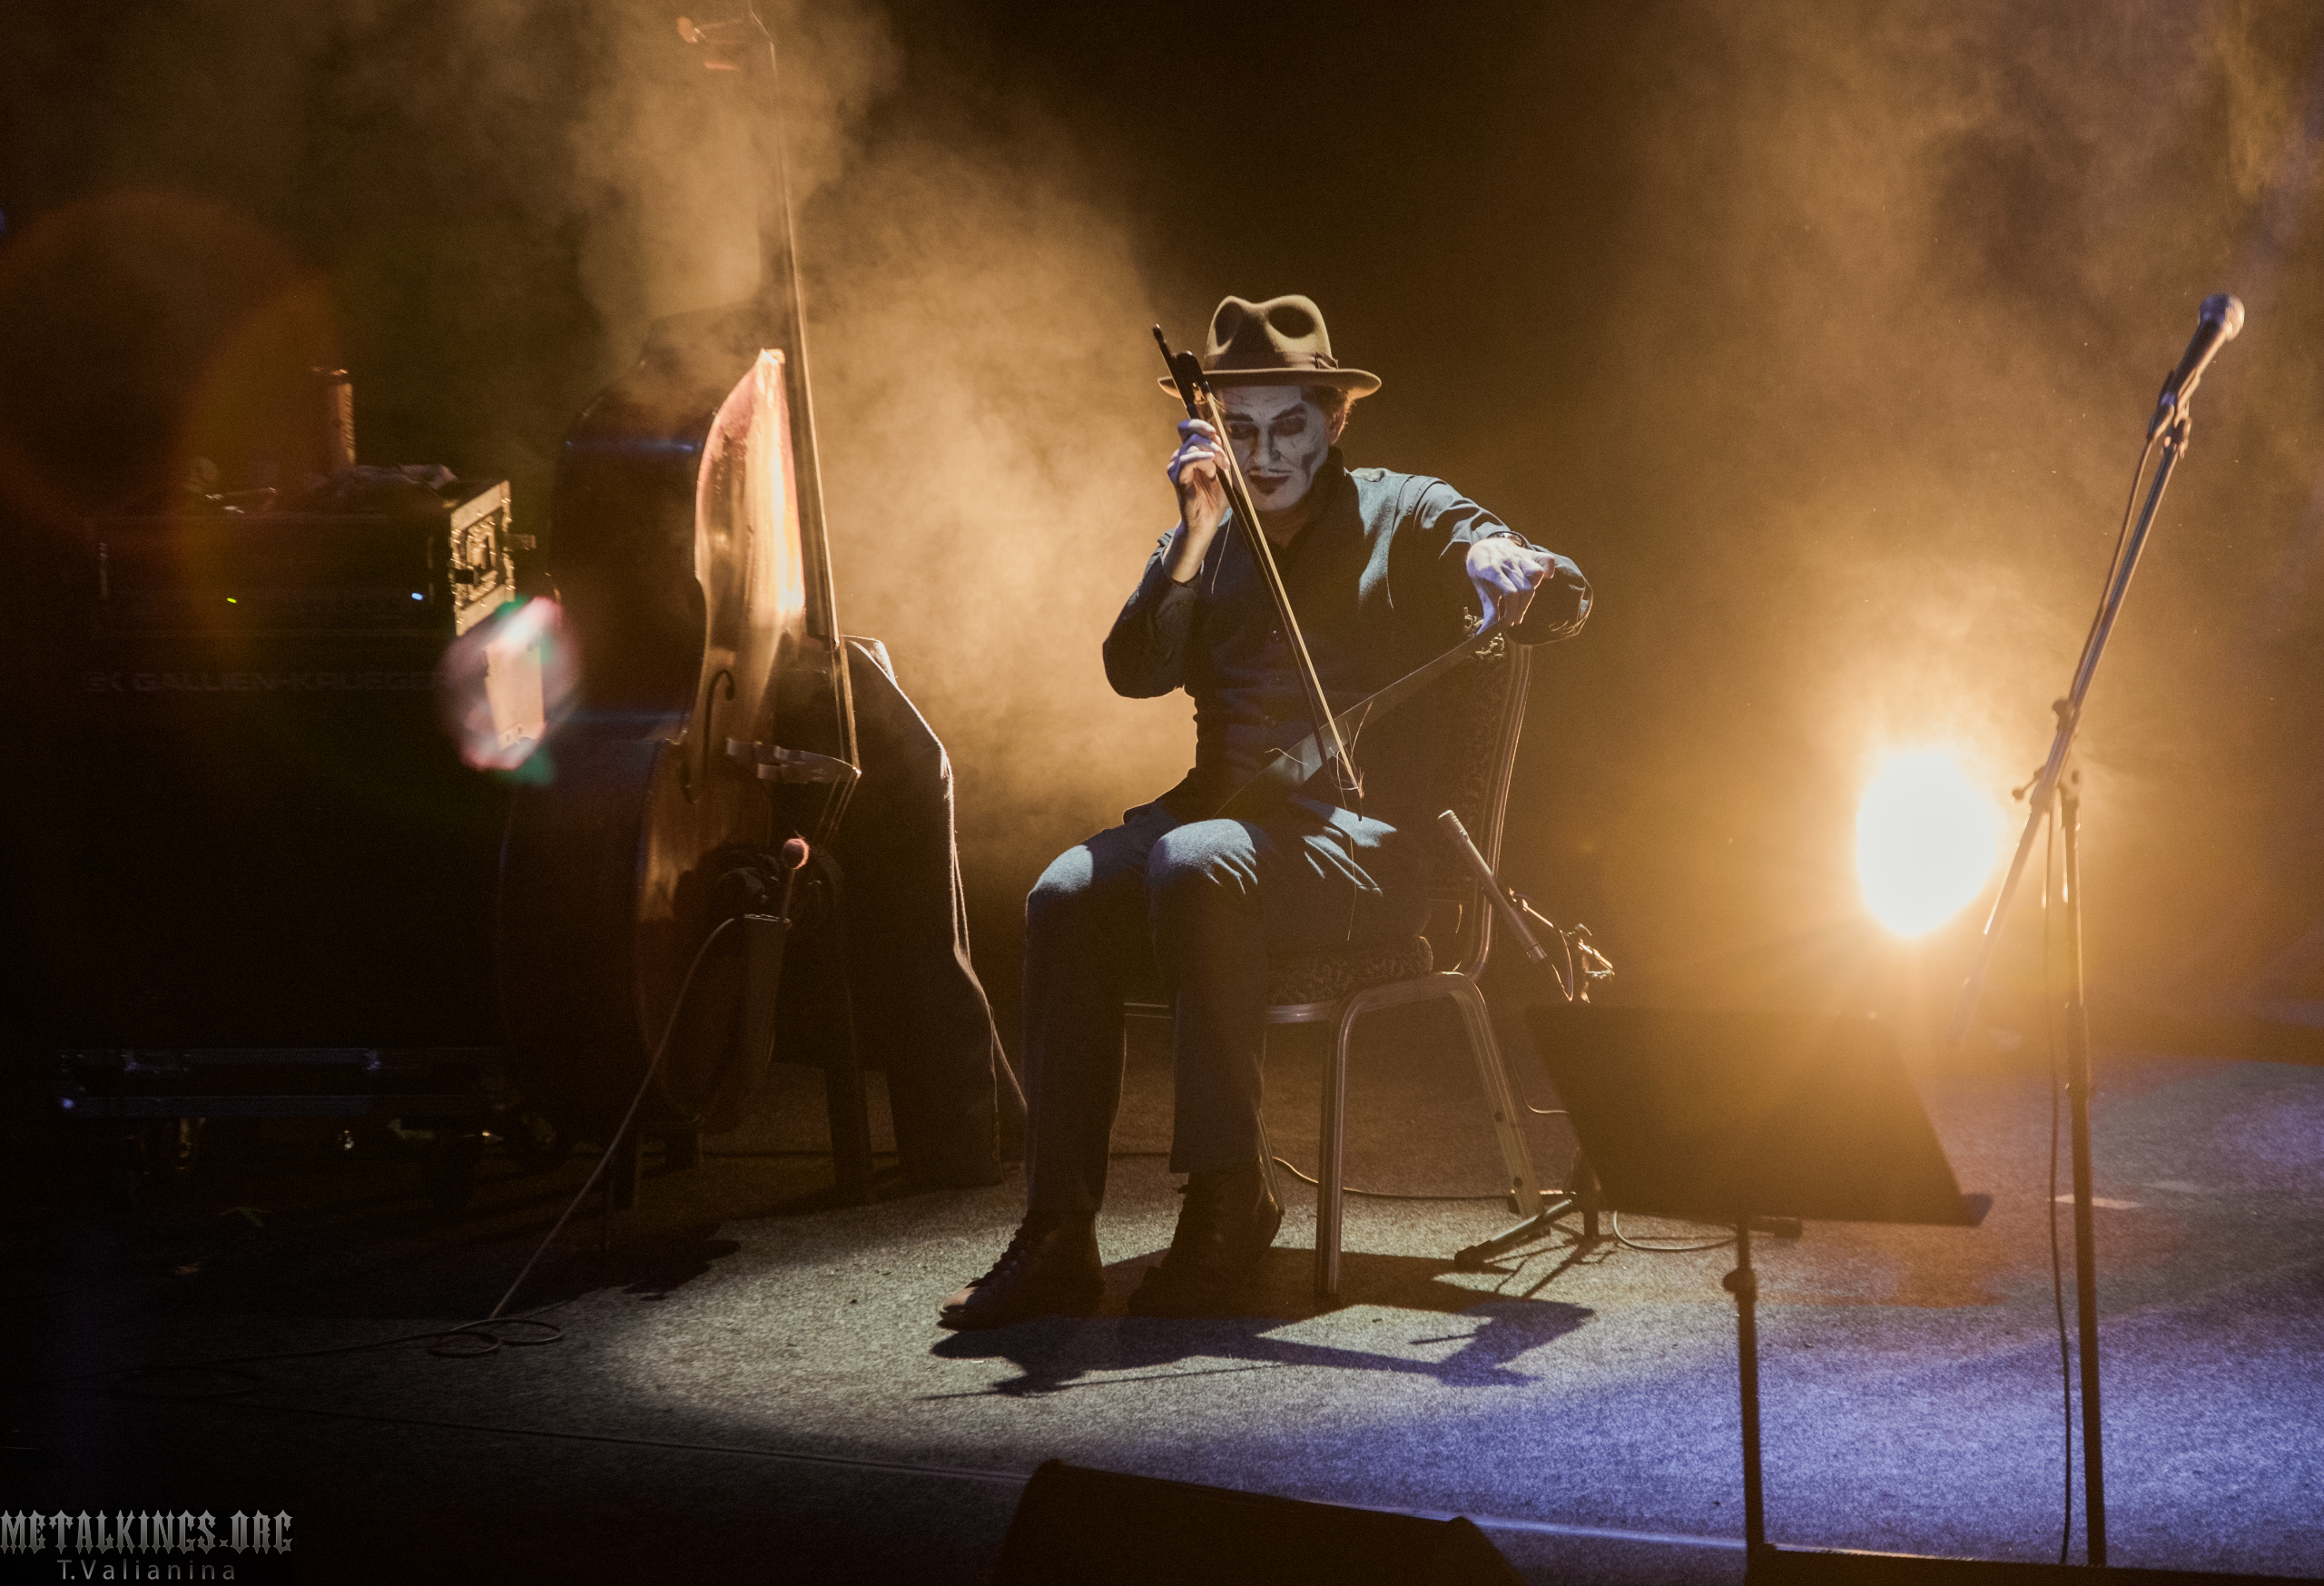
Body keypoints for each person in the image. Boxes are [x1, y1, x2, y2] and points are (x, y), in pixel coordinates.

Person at [939, 294, 1590, 1326]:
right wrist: (1195, 535)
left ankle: (1227, 1199)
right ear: (1209, 431)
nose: (1267, 453)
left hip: (1366, 847)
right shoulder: (1205, 533)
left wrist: (1501, 562)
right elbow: (1133, 671)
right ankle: (1058, 1230)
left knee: (1196, 860)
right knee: (1064, 891)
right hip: (1221, 826)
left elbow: (1552, 587)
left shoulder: (1404, 509)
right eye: (1240, 430)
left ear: (1334, 419)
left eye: (1289, 426)